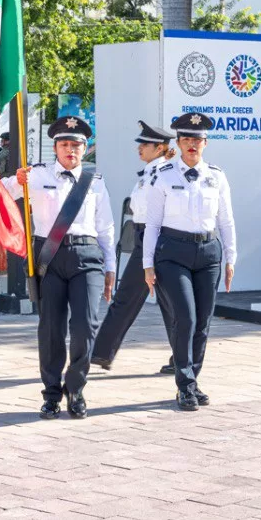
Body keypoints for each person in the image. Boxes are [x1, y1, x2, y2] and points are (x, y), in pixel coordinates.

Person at [4, 117, 116, 420]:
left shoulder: (95, 180)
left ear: (86, 148)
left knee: (86, 325)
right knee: (51, 329)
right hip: (49, 257)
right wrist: (17, 180)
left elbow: (105, 227)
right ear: (55, 147)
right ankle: (52, 393)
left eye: (76, 144)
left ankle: (76, 387)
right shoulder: (37, 175)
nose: (71, 149)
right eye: (65, 144)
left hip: (87, 255)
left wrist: (110, 267)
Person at [144, 113, 237, 411]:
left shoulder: (217, 176)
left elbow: (226, 220)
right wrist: (148, 263)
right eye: (186, 139)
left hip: (208, 253)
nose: (192, 144)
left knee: (203, 322)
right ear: (178, 142)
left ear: (205, 143)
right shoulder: (164, 174)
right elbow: (152, 224)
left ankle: (192, 381)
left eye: (197, 139)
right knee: (186, 317)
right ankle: (184, 384)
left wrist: (231, 257)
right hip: (173, 253)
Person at [92, 120, 176, 370]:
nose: (139, 148)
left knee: (168, 303)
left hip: (159, 239)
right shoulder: (148, 172)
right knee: (129, 298)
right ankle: (100, 354)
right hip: (142, 237)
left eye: (145, 144)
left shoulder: (165, 172)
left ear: (160, 148)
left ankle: (183, 358)